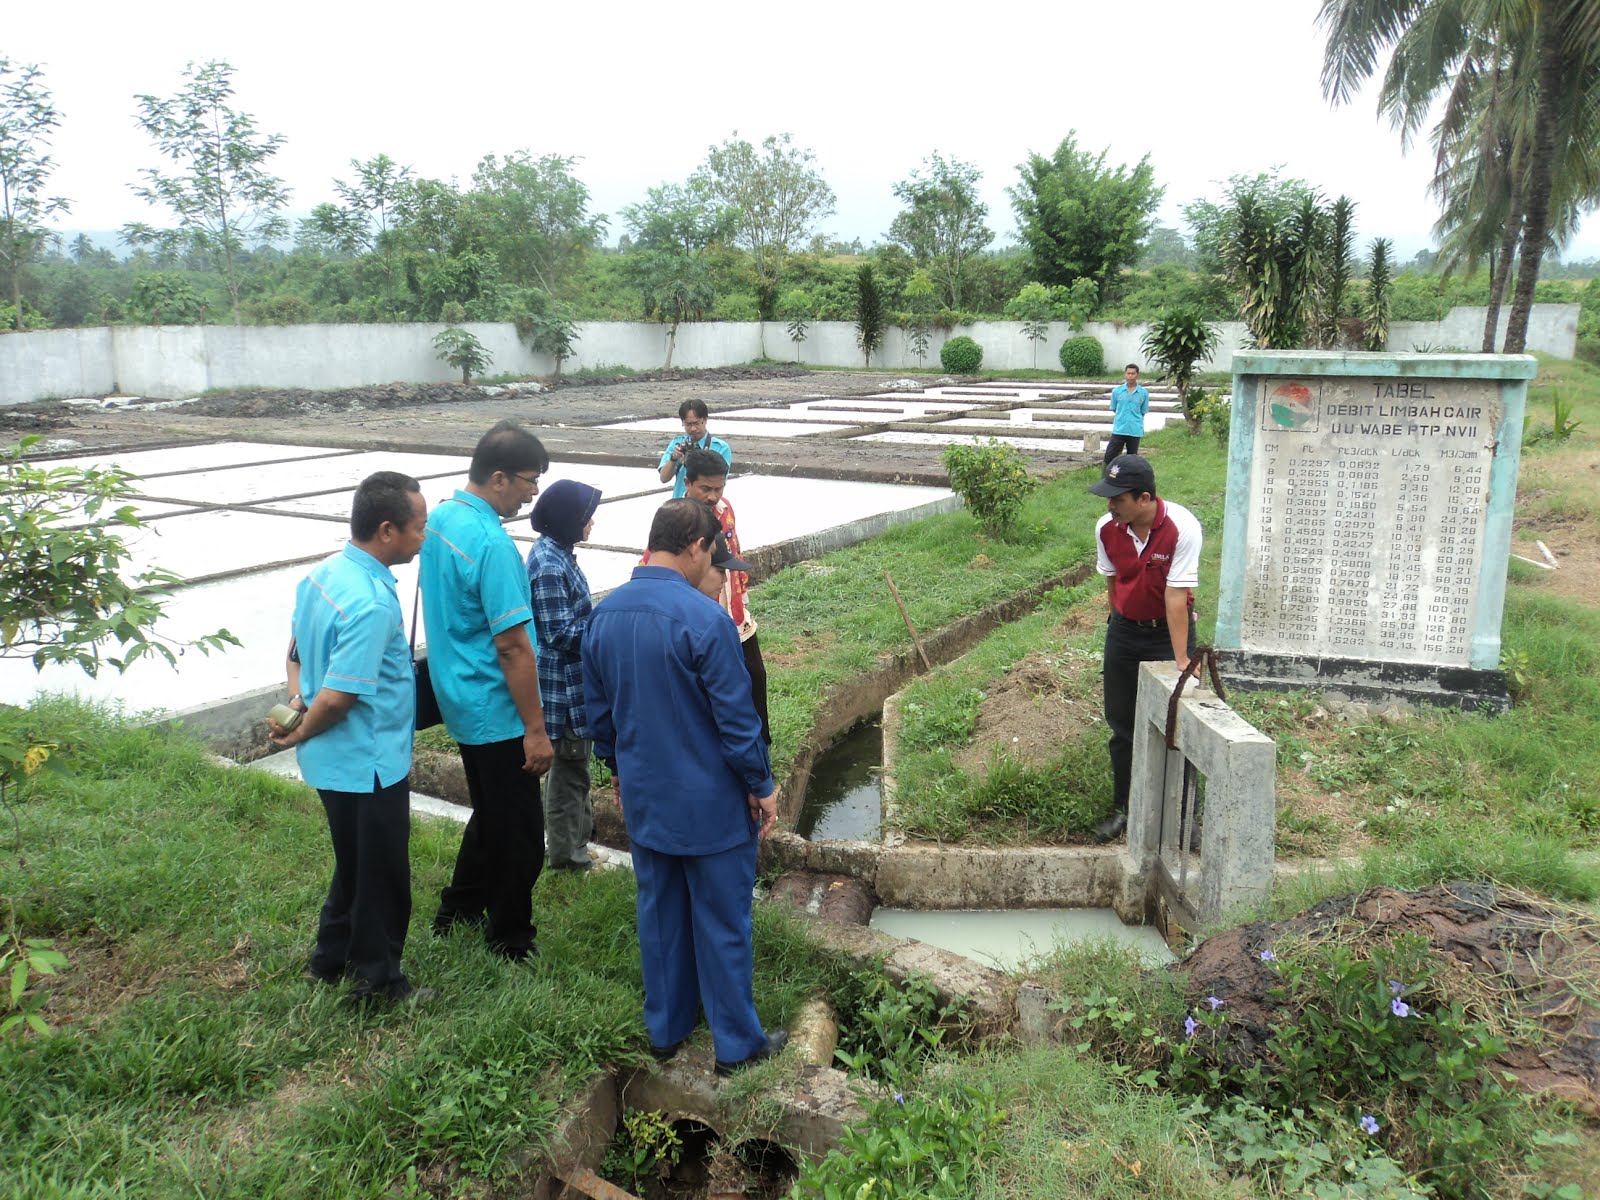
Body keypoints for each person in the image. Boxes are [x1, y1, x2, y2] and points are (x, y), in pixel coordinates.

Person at [582, 499, 786, 1076]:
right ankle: (736, 1045)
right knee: (722, 921)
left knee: (661, 913)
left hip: (647, 797)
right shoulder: (705, 621)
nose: (714, 570)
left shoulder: (606, 615)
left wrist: (618, 769)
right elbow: (736, 719)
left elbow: (601, 718)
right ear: (696, 546)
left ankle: (667, 1030)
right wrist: (761, 785)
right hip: (711, 804)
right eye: (714, 557)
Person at [270, 471, 429, 1007]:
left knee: (354, 860)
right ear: (387, 530)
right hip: (369, 763)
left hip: (335, 763)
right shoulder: (372, 603)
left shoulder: (321, 577)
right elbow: (339, 698)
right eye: (419, 528)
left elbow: (295, 657)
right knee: (381, 876)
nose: (424, 537)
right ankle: (379, 982)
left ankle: (330, 957)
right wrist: (302, 729)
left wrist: (295, 707)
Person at [420, 421, 555, 961]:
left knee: (491, 815)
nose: (533, 492)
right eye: (528, 480)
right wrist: (536, 729)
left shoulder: (442, 519)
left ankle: (457, 912)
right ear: (498, 478)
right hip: (496, 708)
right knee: (521, 835)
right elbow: (514, 648)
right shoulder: (492, 544)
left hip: (459, 696)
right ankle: (509, 939)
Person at [1089, 454, 1202, 843]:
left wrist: (1183, 659)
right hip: (1123, 633)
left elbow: (1176, 597)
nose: (1109, 505)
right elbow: (1112, 582)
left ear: (1144, 498)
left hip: (1166, 635)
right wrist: (1117, 622)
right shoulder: (1107, 528)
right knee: (1122, 726)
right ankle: (1124, 807)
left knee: (1178, 725)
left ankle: (1186, 820)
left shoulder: (1181, 527)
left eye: (1117, 498)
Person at [526, 478, 604, 873]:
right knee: (567, 779)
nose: (591, 523)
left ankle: (577, 848)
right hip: (564, 691)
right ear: (568, 519)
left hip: (573, 686)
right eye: (587, 517)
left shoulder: (559, 554)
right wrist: (604, 630)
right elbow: (558, 632)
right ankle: (567, 862)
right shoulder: (549, 565)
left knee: (576, 772)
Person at [682, 448, 771, 744]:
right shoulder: (676, 520)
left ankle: (761, 741)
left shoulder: (726, 509)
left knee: (755, 674)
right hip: (699, 614)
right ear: (688, 483)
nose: (712, 495)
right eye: (705, 488)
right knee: (716, 683)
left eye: (718, 488)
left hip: (732, 607)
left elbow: (735, 552)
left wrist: (741, 596)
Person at [658, 398, 732, 498]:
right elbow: (663, 478)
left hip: (705, 504)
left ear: (705, 420)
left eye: (697, 423)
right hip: (679, 504)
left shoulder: (721, 448)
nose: (693, 429)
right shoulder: (678, 444)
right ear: (683, 422)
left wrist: (692, 462)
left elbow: (720, 481)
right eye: (688, 424)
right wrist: (674, 459)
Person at [1105, 364, 1151, 465]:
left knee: (1132, 459)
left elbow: (1143, 411)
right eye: (1128, 373)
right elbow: (1114, 408)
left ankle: (1130, 479)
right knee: (1109, 456)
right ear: (1125, 375)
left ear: (1137, 375)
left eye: (1133, 374)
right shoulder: (1117, 391)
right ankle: (1107, 478)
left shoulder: (1143, 393)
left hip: (1135, 430)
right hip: (1119, 429)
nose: (1130, 376)